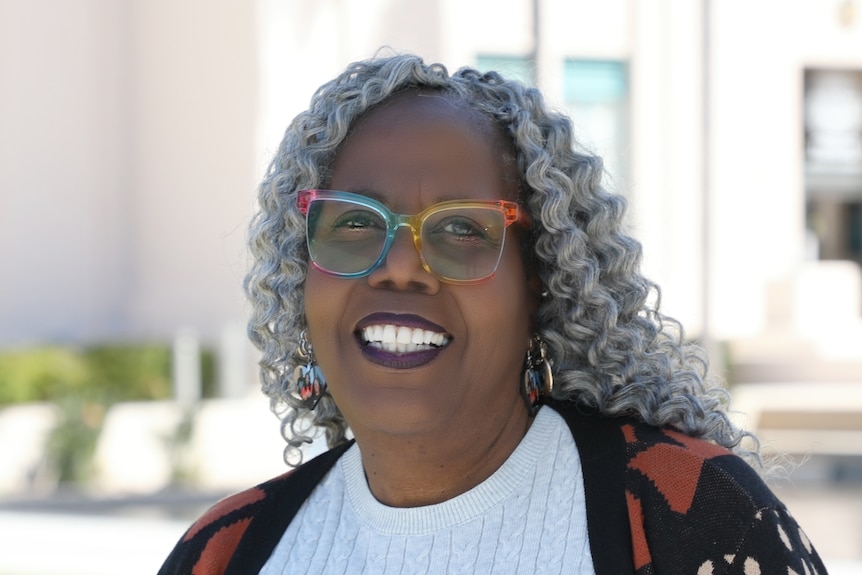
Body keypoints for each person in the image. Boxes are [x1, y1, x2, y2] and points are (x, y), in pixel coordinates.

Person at [159, 54, 828, 574]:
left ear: (538, 281)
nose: (400, 264)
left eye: (460, 231)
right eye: (355, 223)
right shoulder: (227, 551)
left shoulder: (681, 509)